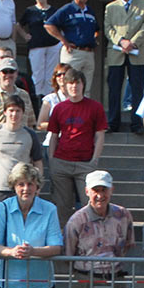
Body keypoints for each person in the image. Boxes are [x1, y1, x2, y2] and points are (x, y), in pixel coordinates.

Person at [45, 67, 107, 218]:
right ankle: (62, 238)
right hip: (61, 161)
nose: (74, 86)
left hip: (85, 163)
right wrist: (52, 160)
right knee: (61, 206)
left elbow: (100, 135)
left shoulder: (95, 107)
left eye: (77, 83)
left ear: (83, 85)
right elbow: (53, 136)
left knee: (90, 204)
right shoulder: (59, 108)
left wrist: (95, 159)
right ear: (65, 85)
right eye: (70, 83)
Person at [0, 93, 45, 223]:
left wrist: (37, 186)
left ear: (22, 113)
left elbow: (37, 161)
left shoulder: (30, 134)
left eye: (17, 111)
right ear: (5, 112)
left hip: (22, 189)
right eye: (11, 110)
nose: (14, 114)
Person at [45, 0, 100, 95]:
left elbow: (97, 29)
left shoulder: (90, 11)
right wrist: (63, 41)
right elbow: (49, 25)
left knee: (86, 88)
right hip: (73, 52)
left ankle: (84, 112)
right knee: (69, 85)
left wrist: (94, 40)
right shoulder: (67, 9)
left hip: (88, 53)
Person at [20, 0, 60, 98]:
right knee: (38, 75)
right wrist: (24, 35)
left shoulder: (54, 11)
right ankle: (36, 99)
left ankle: (49, 99)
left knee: (50, 75)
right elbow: (19, 25)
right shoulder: (30, 11)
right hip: (36, 46)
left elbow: (61, 26)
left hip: (52, 45)